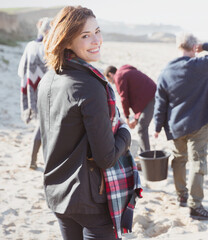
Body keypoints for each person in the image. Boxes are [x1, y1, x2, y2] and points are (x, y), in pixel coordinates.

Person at [38, 6, 131, 239]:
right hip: (88, 199)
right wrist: (126, 134)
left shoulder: (48, 79)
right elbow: (106, 157)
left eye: (97, 31)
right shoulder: (89, 85)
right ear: (67, 40)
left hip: (56, 192)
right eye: (85, 35)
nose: (96, 40)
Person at [153, 32, 208, 220]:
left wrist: (156, 126)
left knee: (179, 160)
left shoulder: (166, 72)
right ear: (194, 47)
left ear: (178, 47)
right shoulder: (200, 65)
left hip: (175, 125)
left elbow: (160, 102)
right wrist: (204, 47)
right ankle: (195, 205)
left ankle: (181, 195)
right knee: (197, 162)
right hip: (198, 124)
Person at [18, 17, 52, 170]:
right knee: (44, 127)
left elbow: (21, 71)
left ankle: (33, 160)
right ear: (46, 31)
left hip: (33, 91)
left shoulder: (30, 46)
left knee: (41, 125)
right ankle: (36, 160)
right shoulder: (49, 47)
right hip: (48, 92)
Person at [104, 65, 156, 154]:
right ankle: (144, 154)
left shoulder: (119, 76)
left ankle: (146, 156)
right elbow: (139, 96)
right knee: (142, 126)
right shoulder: (125, 72)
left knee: (142, 128)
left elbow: (124, 98)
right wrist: (136, 118)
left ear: (110, 74)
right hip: (150, 94)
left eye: (108, 79)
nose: (110, 82)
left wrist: (127, 117)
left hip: (150, 97)